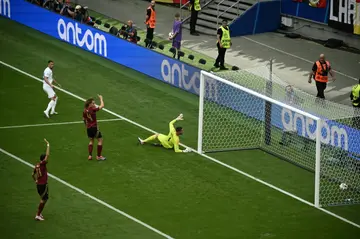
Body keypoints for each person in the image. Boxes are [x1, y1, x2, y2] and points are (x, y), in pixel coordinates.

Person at [83, 95, 106, 161]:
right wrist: (101, 99)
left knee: (91, 140)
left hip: (89, 128)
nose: (94, 104)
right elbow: (102, 106)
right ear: (90, 104)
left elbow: (84, 119)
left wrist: (86, 125)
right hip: (94, 127)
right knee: (100, 140)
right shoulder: (92, 109)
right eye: (93, 103)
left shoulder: (85, 110)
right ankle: (99, 156)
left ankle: (90, 155)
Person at [32, 139, 50, 221]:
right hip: (43, 184)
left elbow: (32, 174)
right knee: (44, 199)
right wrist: (48, 145)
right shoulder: (43, 164)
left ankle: (39, 213)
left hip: (38, 184)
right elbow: (47, 155)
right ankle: (38, 215)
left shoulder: (37, 165)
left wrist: (35, 180)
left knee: (43, 199)